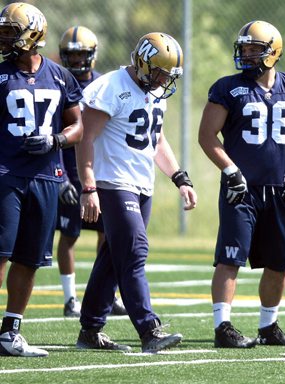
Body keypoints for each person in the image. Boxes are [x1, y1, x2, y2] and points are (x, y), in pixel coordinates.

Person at [198, 20, 285, 348]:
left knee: (279, 261)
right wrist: (229, 169)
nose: (246, 55)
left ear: (274, 52)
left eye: (254, 49)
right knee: (230, 257)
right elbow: (206, 135)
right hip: (240, 189)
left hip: (281, 189)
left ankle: (268, 326)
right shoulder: (227, 88)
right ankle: (223, 327)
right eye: (243, 48)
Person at [76, 32, 197, 353]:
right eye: (158, 72)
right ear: (142, 62)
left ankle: (90, 329)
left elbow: (155, 139)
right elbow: (85, 138)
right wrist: (88, 186)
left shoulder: (156, 91)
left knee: (113, 260)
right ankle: (148, 328)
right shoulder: (111, 87)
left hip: (142, 184)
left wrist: (180, 178)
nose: (162, 80)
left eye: (168, 75)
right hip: (112, 182)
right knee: (134, 253)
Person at [0, 2, 83, 357]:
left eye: (9, 31)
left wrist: (56, 140)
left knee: (29, 259)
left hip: (47, 177)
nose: (4, 37)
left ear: (32, 34)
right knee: (0, 252)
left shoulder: (60, 75)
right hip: (6, 174)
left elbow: (78, 126)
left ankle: (9, 332)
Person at [57, 25, 127, 318]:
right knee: (69, 235)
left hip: (102, 171)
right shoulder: (57, 81)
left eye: (81, 55)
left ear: (93, 55)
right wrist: (60, 176)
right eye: (71, 56)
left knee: (107, 236)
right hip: (69, 173)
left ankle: (107, 296)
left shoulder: (105, 84)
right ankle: (70, 298)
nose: (76, 62)